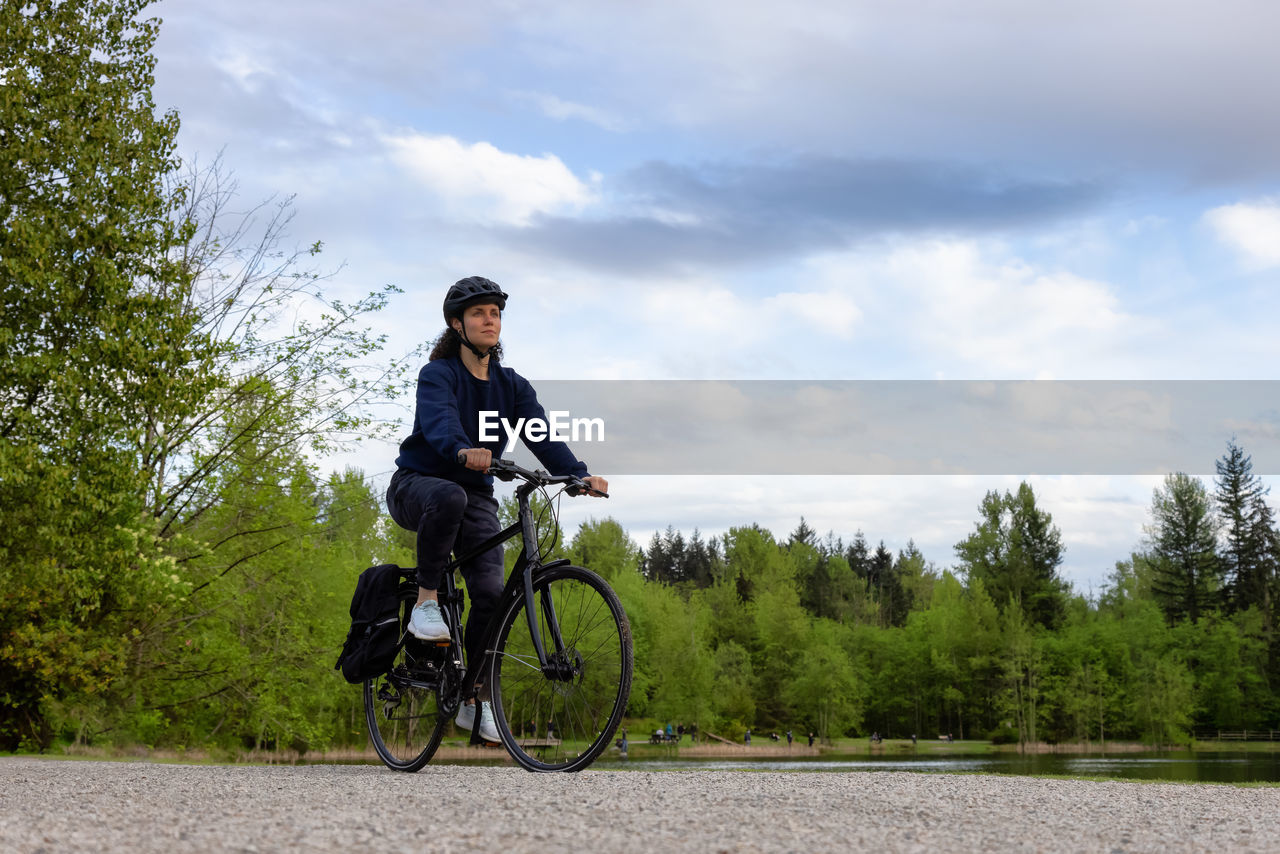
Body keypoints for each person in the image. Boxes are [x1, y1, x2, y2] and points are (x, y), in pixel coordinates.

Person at [385, 276, 608, 744]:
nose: (490, 320)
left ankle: (473, 698)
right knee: (452, 496)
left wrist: (578, 476)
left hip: (475, 497)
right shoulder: (438, 375)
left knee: (491, 593)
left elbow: (541, 435)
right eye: (479, 313)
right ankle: (426, 604)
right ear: (457, 324)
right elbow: (440, 423)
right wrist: (464, 450)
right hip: (419, 486)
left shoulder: (510, 386)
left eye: (496, 313)